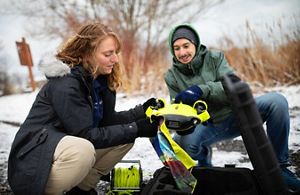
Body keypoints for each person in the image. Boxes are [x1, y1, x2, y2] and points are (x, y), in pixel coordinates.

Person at [8, 22, 159, 195]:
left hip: (64, 149)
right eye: (108, 54)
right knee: (83, 149)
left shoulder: (100, 81)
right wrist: (137, 128)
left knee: (123, 138)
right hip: (32, 165)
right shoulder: (66, 83)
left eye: (115, 53)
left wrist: (140, 113)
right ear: (87, 54)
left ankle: (80, 188)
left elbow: (107, 122)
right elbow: (85, 135)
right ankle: (48, 191)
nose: (115, 59)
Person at [164, 23, 300, 192]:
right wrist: (178, 114)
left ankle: (280, 166)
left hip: (237, 115)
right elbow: (175, 106)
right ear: (172, 50)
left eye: (186, 46)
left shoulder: (215, 58)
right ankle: (203, 155)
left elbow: (232, 85)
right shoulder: (171, 76)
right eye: (176, 48)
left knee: (277, 102)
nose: (182, 52)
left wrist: (202, 90)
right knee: (183, 145)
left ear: (195, 44)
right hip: (207, 125)